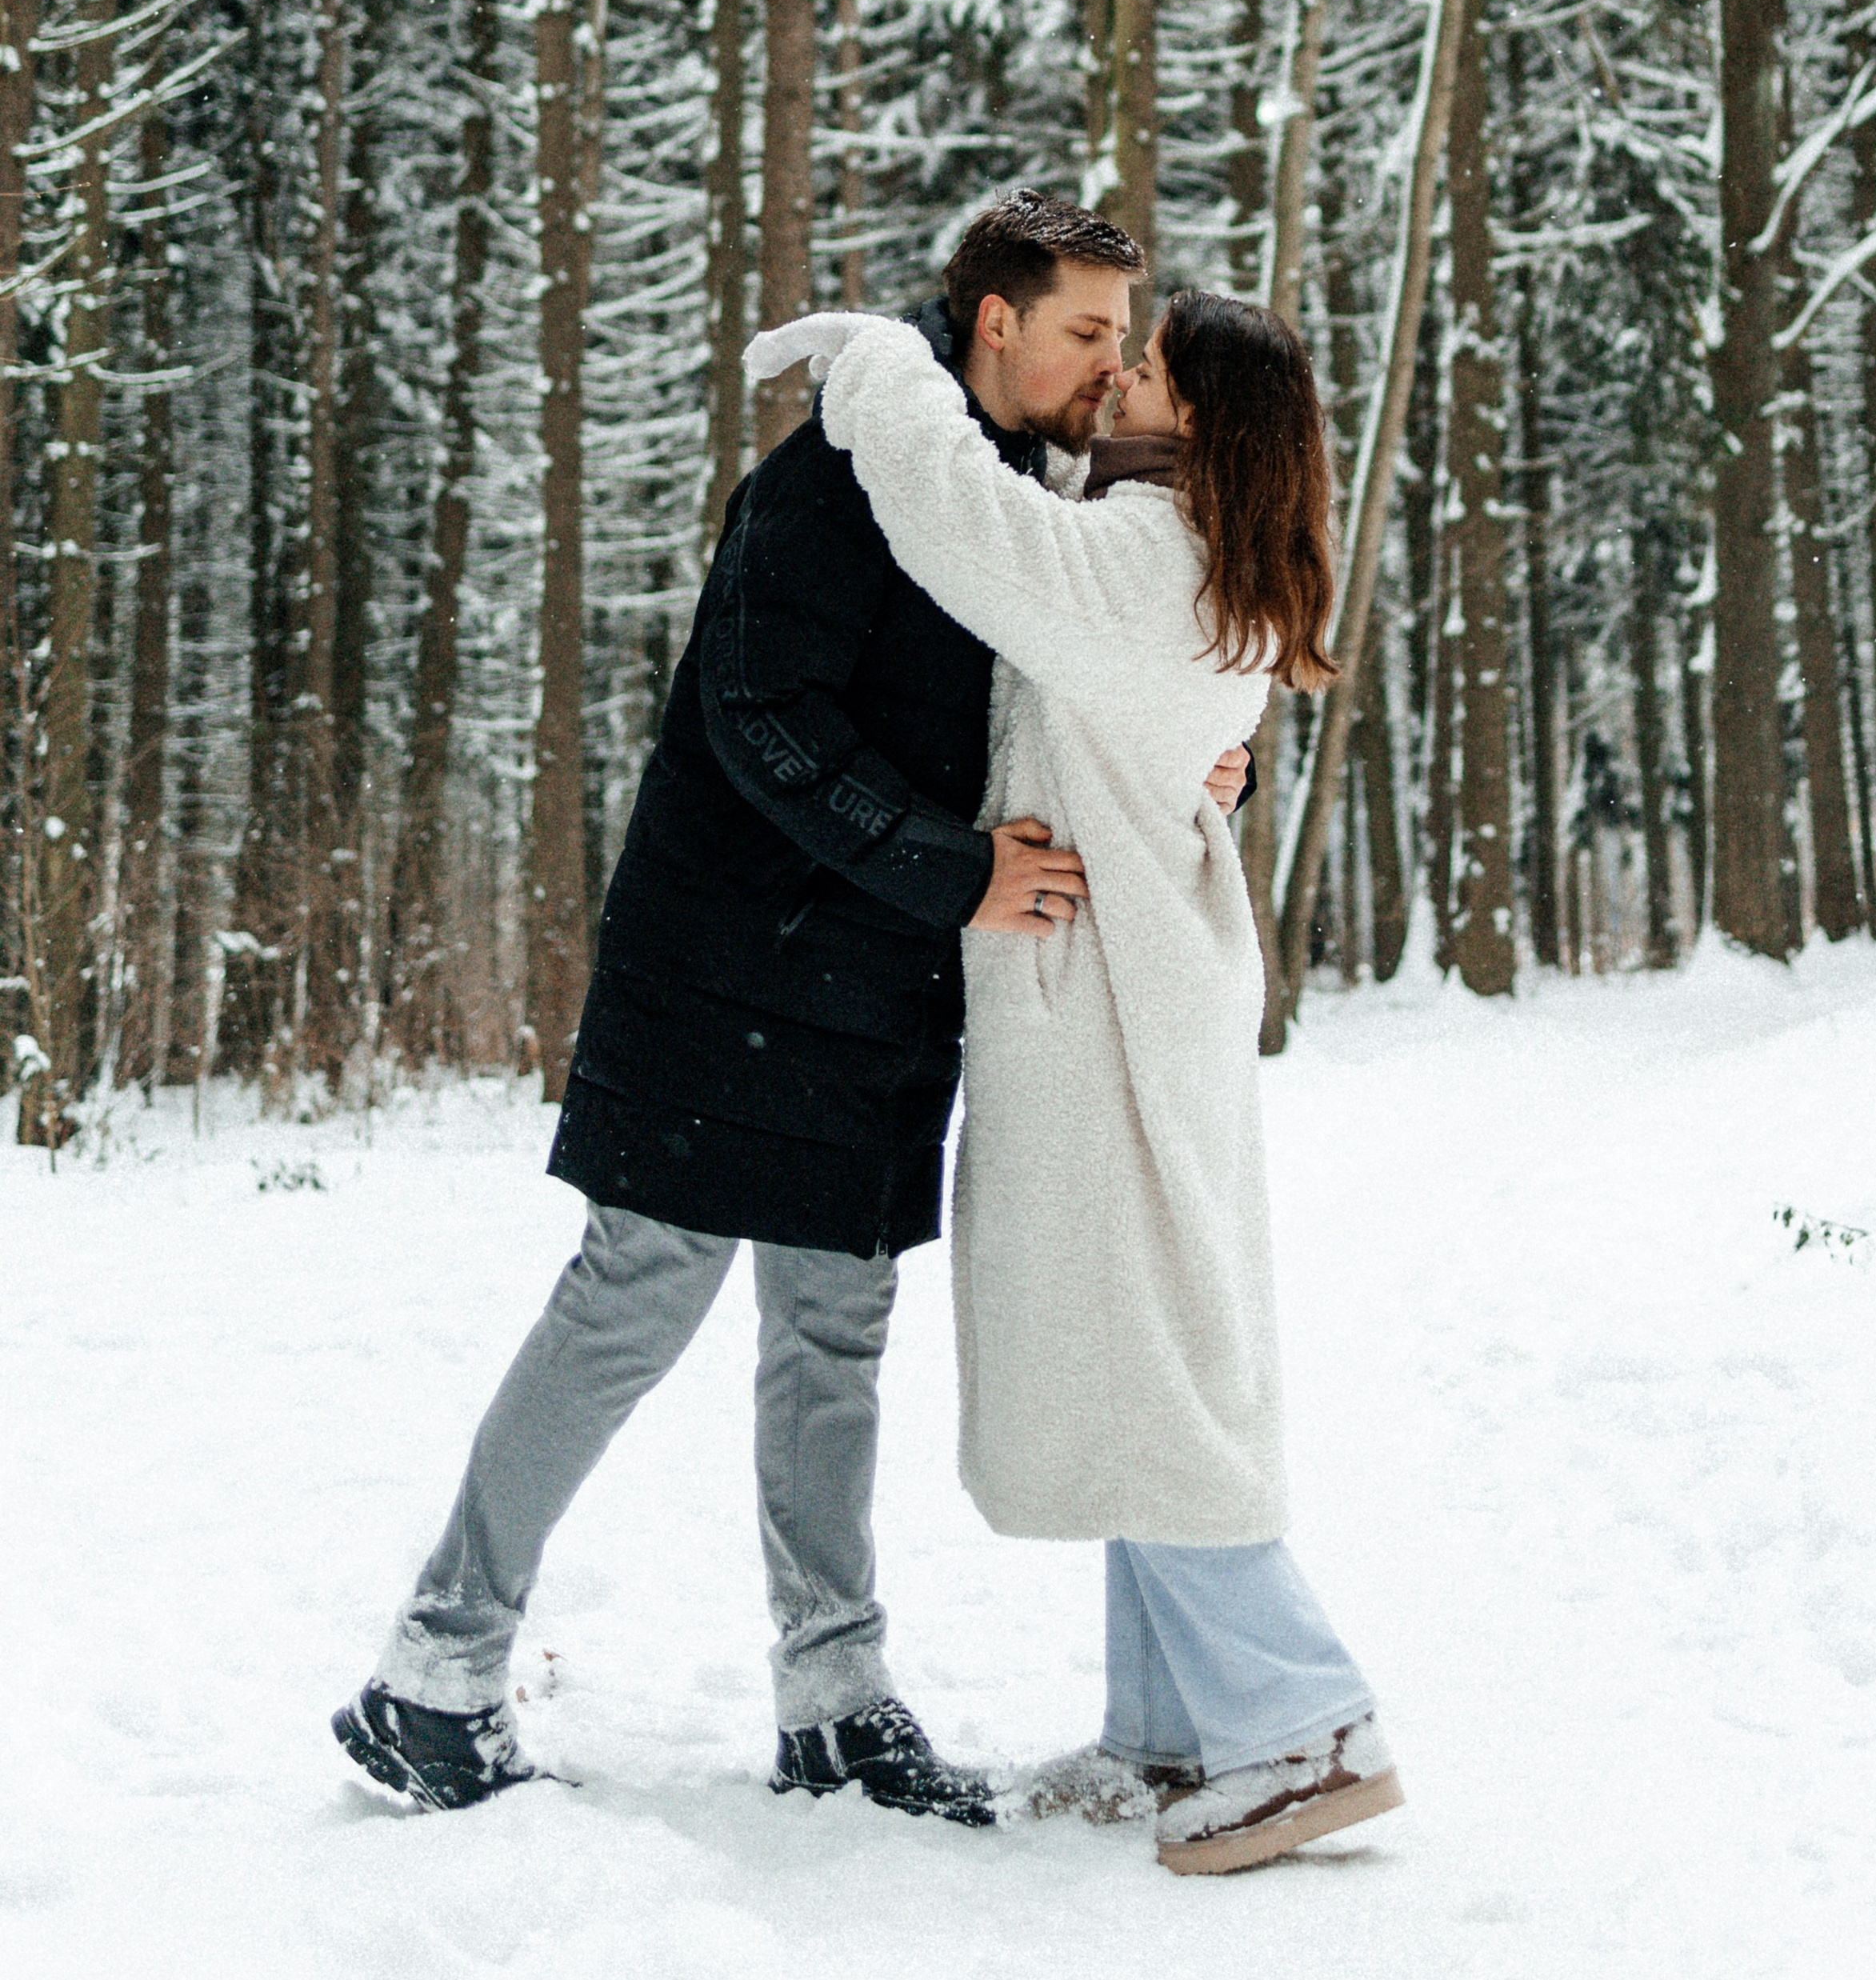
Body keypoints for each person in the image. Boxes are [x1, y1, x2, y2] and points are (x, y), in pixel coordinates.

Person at [332, 190, 1250, 1824]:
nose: (1112, 369)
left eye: (1126, 339)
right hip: (731, 965)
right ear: (993, 324)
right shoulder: (839, 479)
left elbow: (1070, 682)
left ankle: (833, 1696)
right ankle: (437, 1667)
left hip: (882, 991)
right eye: (1087, 332)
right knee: (633, 1293)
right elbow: (757, 718)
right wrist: (947, 866)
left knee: (835, 1334)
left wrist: (1189, 749)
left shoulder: (1014, 490)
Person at [744, 286, 1400, 1876]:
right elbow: (1054, 574)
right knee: (1136, 1345)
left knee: (1149, 1363)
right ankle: (1170, 1727)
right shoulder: (1171, 552)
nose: (1113, 380)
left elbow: (966, 530)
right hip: (1124, 999)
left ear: (1206, 424)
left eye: (1148, 369)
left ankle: (1304, 1724)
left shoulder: (1141, 566)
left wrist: (885, 356)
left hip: (1111, 1010)